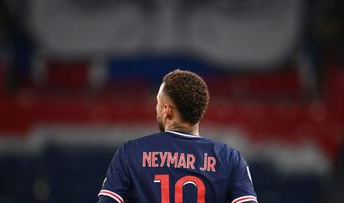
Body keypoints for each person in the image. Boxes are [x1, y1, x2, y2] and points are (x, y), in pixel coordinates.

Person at [97, 69, 257, 203]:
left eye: (158, 103)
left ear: (167, 110)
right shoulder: (230, 159)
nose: (156, 108)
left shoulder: (130, 152)